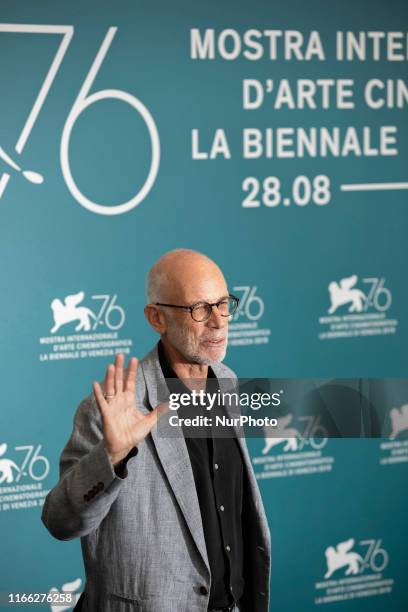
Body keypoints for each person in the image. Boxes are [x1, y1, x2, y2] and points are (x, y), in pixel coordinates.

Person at [42, 249, 271, 612]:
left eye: (224, 304)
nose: (218, 321)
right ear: (157, 318)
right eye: (200, 308)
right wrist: (111, 457)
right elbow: (59, 520)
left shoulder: (227, 381)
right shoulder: (118, 406)